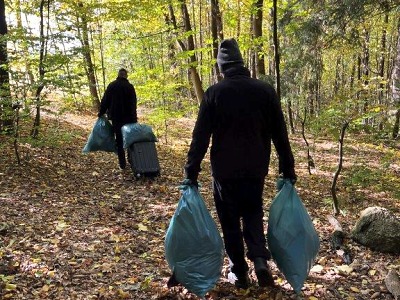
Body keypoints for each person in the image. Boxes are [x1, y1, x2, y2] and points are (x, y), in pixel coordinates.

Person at [184, 38, 296, 289]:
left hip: (225, 172)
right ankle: (259, 259)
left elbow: (200, 136)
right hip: (255, 169)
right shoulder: (265, 91)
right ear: (242, 63)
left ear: (222, 68)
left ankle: (240, 272)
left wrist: (191, 171)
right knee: (253, 212)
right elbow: (280, 134)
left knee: (230, 220)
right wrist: (288, 168)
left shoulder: (214, 93)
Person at [98, 68, 137, 169]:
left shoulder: (112, 86)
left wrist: (101, 113)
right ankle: (132, 161)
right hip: (130, 119)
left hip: (116, 118)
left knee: (119, 140)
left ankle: (122, 164)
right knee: (130, 139)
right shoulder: (130, 87)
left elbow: (105, 100)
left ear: (118, 75)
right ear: (126, 76)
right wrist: (135, 118)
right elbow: (134, 104)